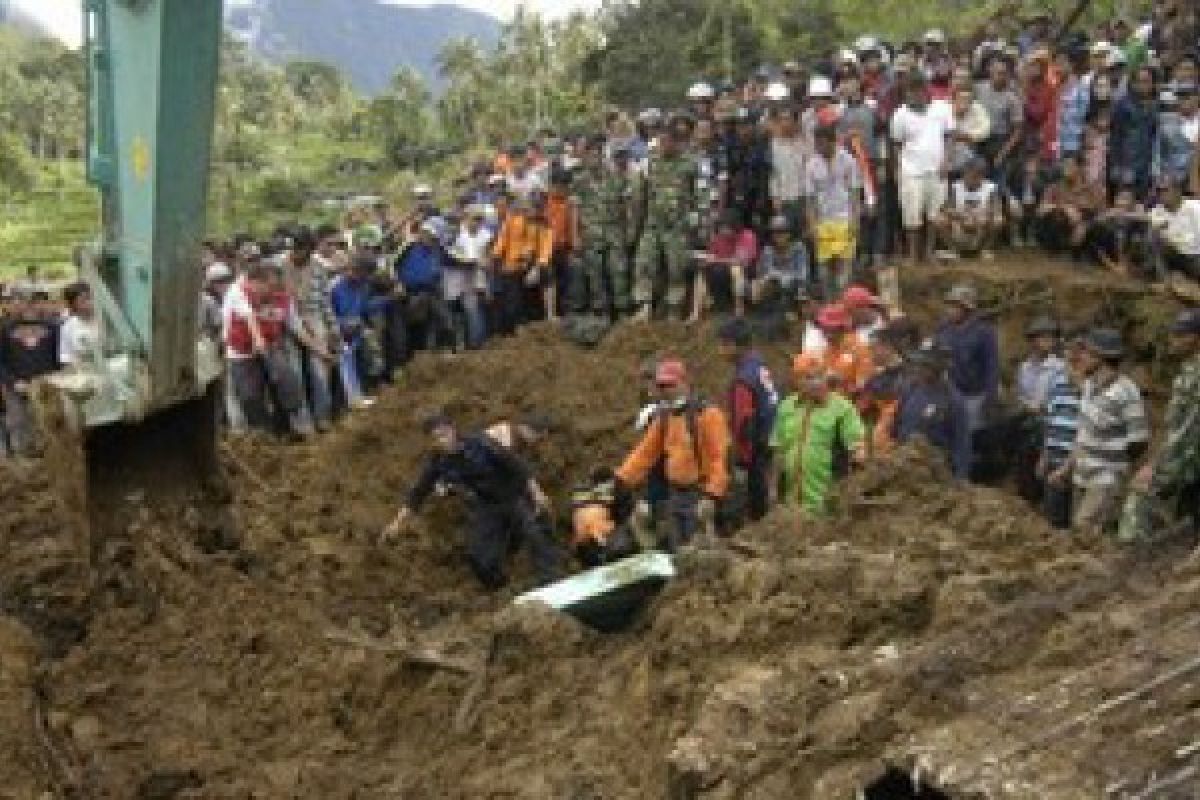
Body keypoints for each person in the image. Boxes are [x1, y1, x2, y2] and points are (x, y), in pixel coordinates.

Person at [382, 414, 562, 590]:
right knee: (479, 558)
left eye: (444, 434)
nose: (443, 440)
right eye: (436, 438)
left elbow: (516, 465)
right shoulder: (437, 462)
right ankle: (501, 590)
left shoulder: (480, 443)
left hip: (514, 494)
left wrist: (537, 493)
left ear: (453, 431)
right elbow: (418, 494)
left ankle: (550, 580)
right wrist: (397, 523)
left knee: (536, 534)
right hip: (486, 505)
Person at [615, 359, 730, 551]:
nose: (665, 390)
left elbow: (719, 458)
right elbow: (645, 452)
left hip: (699, 494)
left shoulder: (707, 415)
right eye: (661, 386)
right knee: (679, 549)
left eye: (670, 385)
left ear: (684, 383)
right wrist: (622, 478)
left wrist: (712, 495)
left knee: (701, 551)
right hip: (675, 494)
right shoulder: (665, 417)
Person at [1050, 328, 1149, 535]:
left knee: (1085, 531)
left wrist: (1117, 473)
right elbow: (1083, 436)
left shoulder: (1126, 392)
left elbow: (1139, 441)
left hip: (1105, 480)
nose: (1080, 357)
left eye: (1085, 352)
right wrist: (1066, 469)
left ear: (1101, 357)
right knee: (1079, 536)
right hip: (1082, 477)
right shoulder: (1089, 386)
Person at [224, 261, 330, 436]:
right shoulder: (238, 292)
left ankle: (297, 429)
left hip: (272, 346)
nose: (272, 292)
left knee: (289, 384)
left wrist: (319, 350)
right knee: (250, 396)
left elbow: (296, 328)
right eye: (269, 287)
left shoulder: (282, 298)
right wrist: (258, 339)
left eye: (276, 287)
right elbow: (249, 317)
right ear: (256, 283)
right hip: (241, 352)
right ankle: (263, 437)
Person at [1121, 309, 1200, 541]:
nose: (1172, 341)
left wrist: (1155, 466)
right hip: (1189, 459)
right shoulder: (1189, 371)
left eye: (1179, 335)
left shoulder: (1196, 375)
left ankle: (1133, 559)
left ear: (1195, 338)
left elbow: (1188, 429)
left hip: (1188, 456)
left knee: (1140, 492)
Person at [769, 353, 866, 515]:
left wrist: (853, 490)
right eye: (808, 378)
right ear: (797, 381)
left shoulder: (842, 409)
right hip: (791, 504)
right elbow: (778, 451)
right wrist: (772, 489)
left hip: (827, 503)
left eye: (820, 376)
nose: (816, 383)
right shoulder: (787, 407)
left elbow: (857, 449)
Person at [633, 114, 700, 321]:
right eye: (660, 141)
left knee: (676, 268)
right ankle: (644, 306)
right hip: (652, 224)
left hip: (677, 226)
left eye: (666, 141)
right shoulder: (649, 163)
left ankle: (674, 309)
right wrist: (637, 222)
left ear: (676, 141)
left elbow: (699, 195)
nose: (662, 145)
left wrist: (696, 220)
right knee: (644, 263)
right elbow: (640, 194)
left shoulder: (689, 164)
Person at [717, 319, 779, 522]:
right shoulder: (760, 366)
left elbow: (744, 423)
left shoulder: (743, 379)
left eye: (723, 344)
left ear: (734, 345)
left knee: (755, 508)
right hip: (772, 441)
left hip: (757, 452)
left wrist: (742, 460)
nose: (720, 350)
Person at [890, 74, 954, 264]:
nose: (913, 96)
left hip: (937, 170)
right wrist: (897, 169)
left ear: (925, 91)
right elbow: (896, 144)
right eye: (909, 92)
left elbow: (950, 136)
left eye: (916, 91)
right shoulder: (899, 115)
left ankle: (929, 252)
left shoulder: (942, 108)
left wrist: (946, 161)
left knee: (934, 214)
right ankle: (912, 254)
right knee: (911, 215)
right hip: (911, 171)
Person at [893, 345, 972, 480]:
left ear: (937, 369)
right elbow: (898, 423)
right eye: (917, 364)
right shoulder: (911, 390)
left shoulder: (952, 400)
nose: (917, 369)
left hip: (933, 468)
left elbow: (962, 442)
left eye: (924, 365)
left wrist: (960, 477)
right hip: (904, 462)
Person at [804, 125, 862, 301]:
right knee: (824, 273)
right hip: (823, 222)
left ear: (832, 142)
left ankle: (845, 307)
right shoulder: (811, 165)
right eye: (817, 144)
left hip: (845, 219)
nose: (819, 148)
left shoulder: (849, 160)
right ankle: (830, 308)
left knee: (844, 275)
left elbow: (855, 193)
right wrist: (812, 225)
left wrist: (856, 221)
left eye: (822, 144)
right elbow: (810, 199)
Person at [933, 284, 1000, 437]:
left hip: (974, 395)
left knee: (971, 436)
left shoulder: (983, 332)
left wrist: (990, 397)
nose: (950, 310)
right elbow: (935, 358)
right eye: (949, 305)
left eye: (955, 306)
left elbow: (992, 366)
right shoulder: (943, 330)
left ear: (967, 309)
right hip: (949, 393)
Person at [0, 289, 58, 457]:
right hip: (17, 387)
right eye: (14, 301)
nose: (19, 305)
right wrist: (12, 381)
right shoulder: (4, 329)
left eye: (23, 301)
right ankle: (23, 464)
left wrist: (54, 378)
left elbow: (58, 357)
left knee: (47, 425)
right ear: (8, 305)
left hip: (46, 387)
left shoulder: (52, 327)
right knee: (19, 425)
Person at [490, 194, 553, 335]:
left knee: (546, 274)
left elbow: (545, 249)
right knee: (512, 301)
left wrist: (537, 267)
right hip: (511, 265)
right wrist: (495, 257)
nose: (533, 211)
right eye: (531, 207)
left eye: (537, 208)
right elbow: (502, 241)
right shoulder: (512, 219)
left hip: (532, 266)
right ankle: (514, 328)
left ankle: (548, 316)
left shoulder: (544, 225)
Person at [935, 157, 1004, 260]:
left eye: (974, 175)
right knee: (939, 219)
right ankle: (953, 250)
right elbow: (946, 208)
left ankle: (984, 250)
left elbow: (997, 209)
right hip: (959, 226)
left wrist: (979, 217)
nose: (968, 178)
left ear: (981, 176)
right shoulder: (955, 187)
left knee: (998, 220)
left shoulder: (991, 188)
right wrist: (961, 217)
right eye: (967, 174)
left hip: (981, 227)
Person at [695, 209, 758, 320]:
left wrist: (716, 260)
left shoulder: (747, 236)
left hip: (746, 271)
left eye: (726, 227)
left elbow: (740, 261)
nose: (723, 231)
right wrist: (705, 260)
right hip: (723, 271)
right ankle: (696, 312)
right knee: (703, 273)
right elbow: (711, 255)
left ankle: (739, 310)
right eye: (721, 227)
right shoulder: (718, 237)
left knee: (736, 270)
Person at [445, 206, 492, 350]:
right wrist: (475, 261)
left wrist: (485, 280)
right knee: (455, 313)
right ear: (466, 219)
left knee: (473, 311)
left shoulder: (485, 234)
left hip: (473, 279)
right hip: (453, 278)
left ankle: (476, 345)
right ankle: (458, 346)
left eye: (480, 219)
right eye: (475, 219)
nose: (477, 222)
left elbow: (486, 256)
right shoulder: (456, 234)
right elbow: (452, 256)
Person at [751, 215, 810, 315]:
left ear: (789, 233)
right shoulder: (768, 250)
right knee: (759, 285)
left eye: (782, 232)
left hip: (795, 286)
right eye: (775, 232)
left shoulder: (799, 248)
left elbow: (802, 274)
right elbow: (765, 273)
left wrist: (781, 277)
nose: (778, 235)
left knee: (796, 286)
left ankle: (794, 313)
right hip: (774, 286)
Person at [1149, 177, 1200, 280]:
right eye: (1159, 191)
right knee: (1153, 236)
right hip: (1176, 255)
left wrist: (1174, 239)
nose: (1162, 194)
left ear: (1178, 191)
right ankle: (1166, 281)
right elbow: (1149, 222)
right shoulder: (1158, 210)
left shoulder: (1195, 207)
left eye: (1165, 190)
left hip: (1195, 256)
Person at [58, 282, 101, 369]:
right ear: (73, 305)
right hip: (83, 371)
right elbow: (64, 356)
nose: (89, 303)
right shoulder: (68, 326)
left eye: (90, 298)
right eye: (83, 300)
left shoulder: (103, 321)